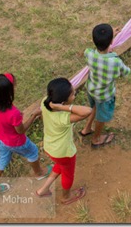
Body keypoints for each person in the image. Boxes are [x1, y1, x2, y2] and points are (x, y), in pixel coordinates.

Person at [0, 73, 50, 198]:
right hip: (16, 142)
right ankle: (39, 173)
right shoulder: (13, 113)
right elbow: (21, 130)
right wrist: (34, 115)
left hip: (0, 138)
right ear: (8, 92)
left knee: (2, 161)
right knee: (32, 152)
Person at [36, 77, 92, 205]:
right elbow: (87, 111)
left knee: (60, 165)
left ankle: (43, 189)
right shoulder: (62, 117)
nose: (75, 94)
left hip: (50, 147)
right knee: (68, 174)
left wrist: (58, 105)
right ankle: (66, 197)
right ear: (62, 102)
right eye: (72, 94)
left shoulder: (45, 102)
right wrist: (63, 108)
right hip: (63, 152)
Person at [79, 24, 131, 148]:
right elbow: (126, 72)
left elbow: (93, 51)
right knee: (101, 117)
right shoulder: (115, 62)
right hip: (104, 95)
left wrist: (108, 39)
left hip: (91, 90)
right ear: (111, 41)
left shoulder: (89, 53)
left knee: (95, 107)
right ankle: (96, 139)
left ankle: (86, 129)